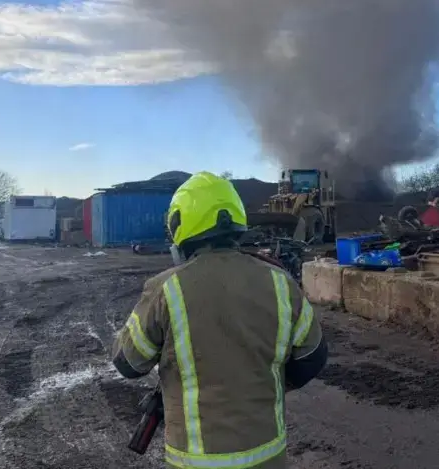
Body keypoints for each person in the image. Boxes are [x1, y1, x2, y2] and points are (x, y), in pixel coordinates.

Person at [112, 171, 328, 469]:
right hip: (267, 457)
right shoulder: (280, 282)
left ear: (181, 225)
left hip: (195, 462)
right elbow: (313, 357)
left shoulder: (165, 289)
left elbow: (128, 363)